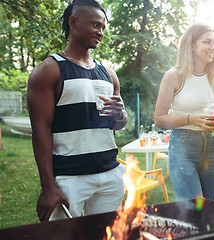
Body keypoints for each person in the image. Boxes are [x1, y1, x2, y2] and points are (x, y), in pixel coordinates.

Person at [27, 0, 128, 222]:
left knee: (106, 235)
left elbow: (119, 124)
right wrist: (48, 186)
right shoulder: (49, 70)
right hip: (69, 178)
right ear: (73, 22)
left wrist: (120, 115)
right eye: (95, 25)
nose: (100, 32)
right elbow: (41, 130)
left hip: (110, 174)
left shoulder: (109, 74)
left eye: (103, 27)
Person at [154, 23, 214, 201]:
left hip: (211, 147)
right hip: (182, 146)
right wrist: (190, 119)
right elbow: (160, 119)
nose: (213, 47)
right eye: (207, 42)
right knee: (192, 211)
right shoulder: (174, 76)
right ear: (192, 45)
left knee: (207, 208)